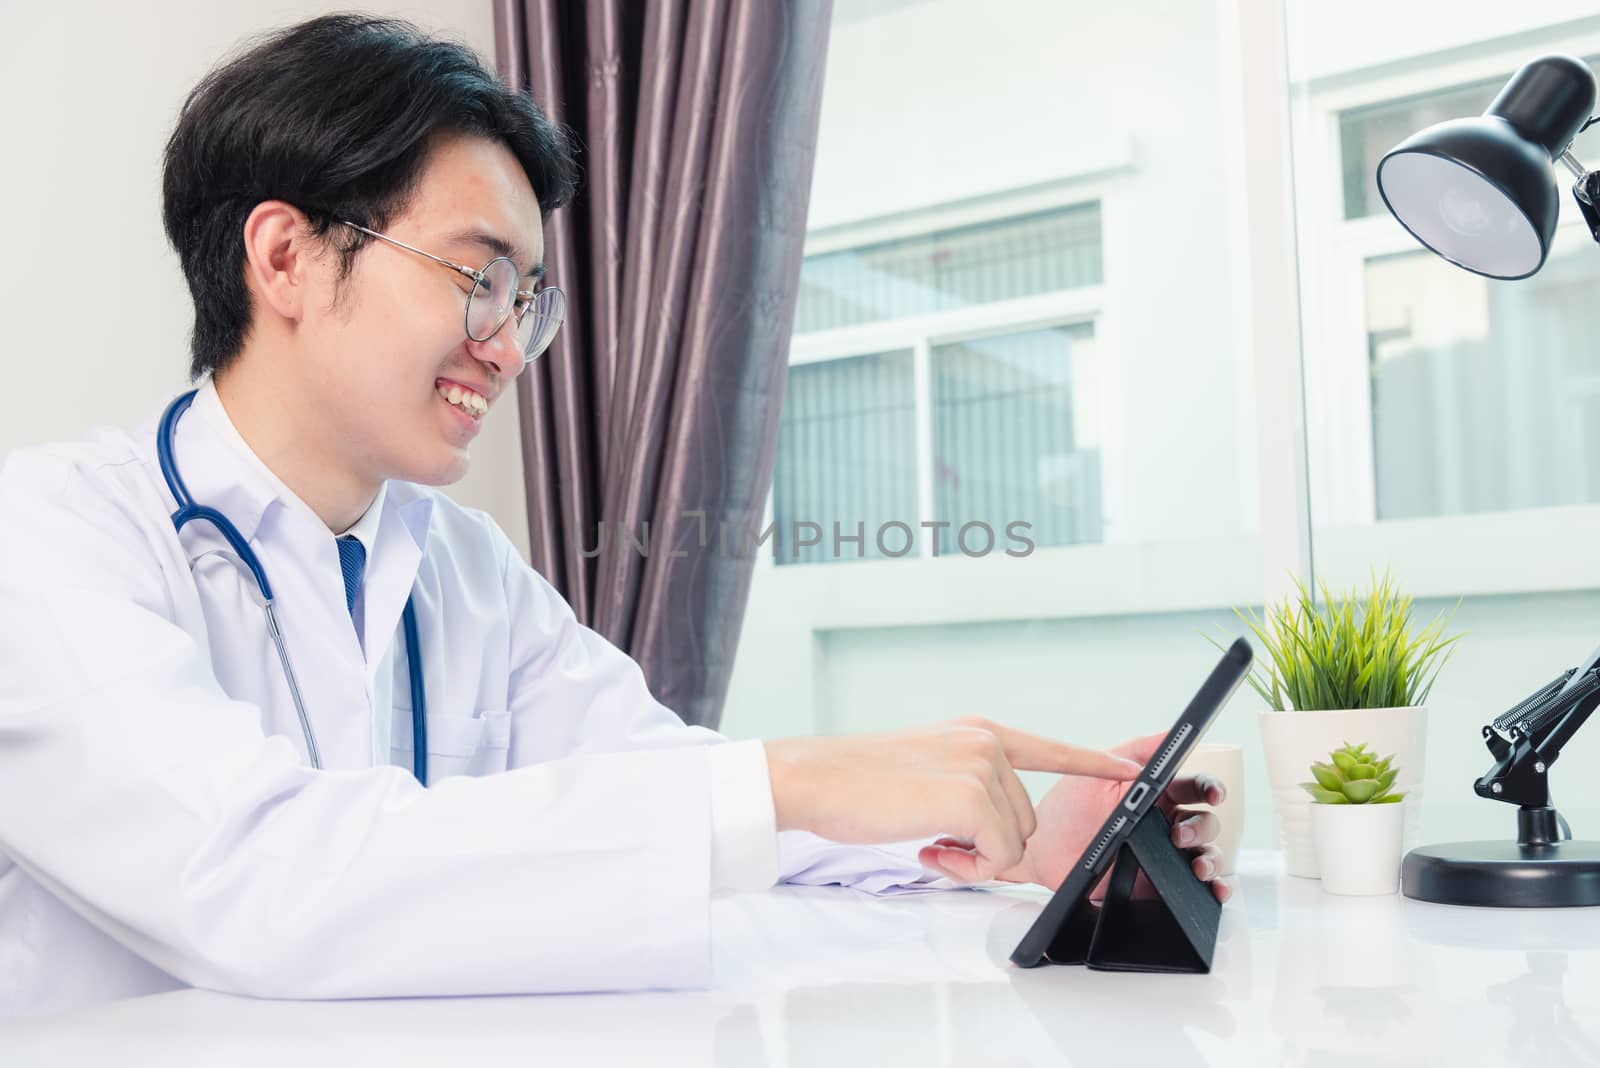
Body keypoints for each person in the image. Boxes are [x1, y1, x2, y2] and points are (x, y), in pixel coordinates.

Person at [0, 14, 1228, 1010]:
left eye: (528, 299)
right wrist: (790, 780)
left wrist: (1001, 837)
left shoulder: (458, 565)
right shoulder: (51, 538)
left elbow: (662, 785)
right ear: (284, 258)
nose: (509, 345)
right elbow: (260, 881)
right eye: (478, 276)